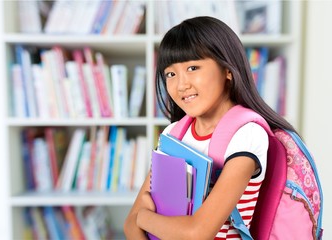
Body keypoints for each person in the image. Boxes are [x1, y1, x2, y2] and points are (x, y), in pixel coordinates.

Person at [124, 16, 296, 239]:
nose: (181, 84)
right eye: (171, 74)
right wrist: (139, 220)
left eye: (193, 67)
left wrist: (145, 218)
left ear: (227, 70)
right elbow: (129, 226)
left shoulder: (247, 134)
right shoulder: (174, 134)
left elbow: (197, 233)